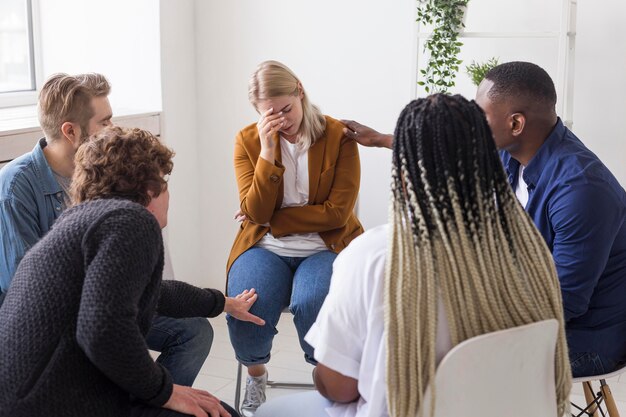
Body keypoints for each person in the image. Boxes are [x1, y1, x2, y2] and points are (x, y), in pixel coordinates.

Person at [255, 94, 572, 417]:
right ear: (487, 163)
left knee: (270, 413)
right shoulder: (530, 248)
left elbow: (339, 387)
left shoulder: (374, 256)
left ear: (404, 177)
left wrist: (323, 370)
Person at [343, 62, 626, 378]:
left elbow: (563, 302)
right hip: (535, 311)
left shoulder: (581, 190)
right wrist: (382, 139)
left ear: (515, 123)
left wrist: (469, 314)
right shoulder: (514, 150)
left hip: (583, 339)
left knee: (431, 355)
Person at [0, 126, 265, 417]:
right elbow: (101, 330)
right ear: (150, 187)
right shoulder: (131, 220)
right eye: (164, 180)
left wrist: (222, 303)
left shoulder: (79, 223)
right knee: (219, 412)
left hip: (30, 398)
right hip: (55, 401)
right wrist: (163, 391)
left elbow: (157, 293)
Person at [0, 73, 214, 386]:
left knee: (193, 331)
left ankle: (152, 403)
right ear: (70, 131)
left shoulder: (104, 172)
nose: (113, 130)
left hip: (101, 301)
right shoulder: (17, 186)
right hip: (53, 322)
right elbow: (22, 287)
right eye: (105, 121)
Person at [227, 60, 363, 416]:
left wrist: (275, 219)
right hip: (263, 247)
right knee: (246, 308)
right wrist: (268, 152)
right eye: (270, 115)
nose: (282, 120)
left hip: (326, 247)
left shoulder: (338, 137)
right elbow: (256, 214)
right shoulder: (248, 140)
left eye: (286, 109)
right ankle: (256, 375)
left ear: (299, 90)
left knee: (314, 302)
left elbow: (337, 213)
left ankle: (328, 381)